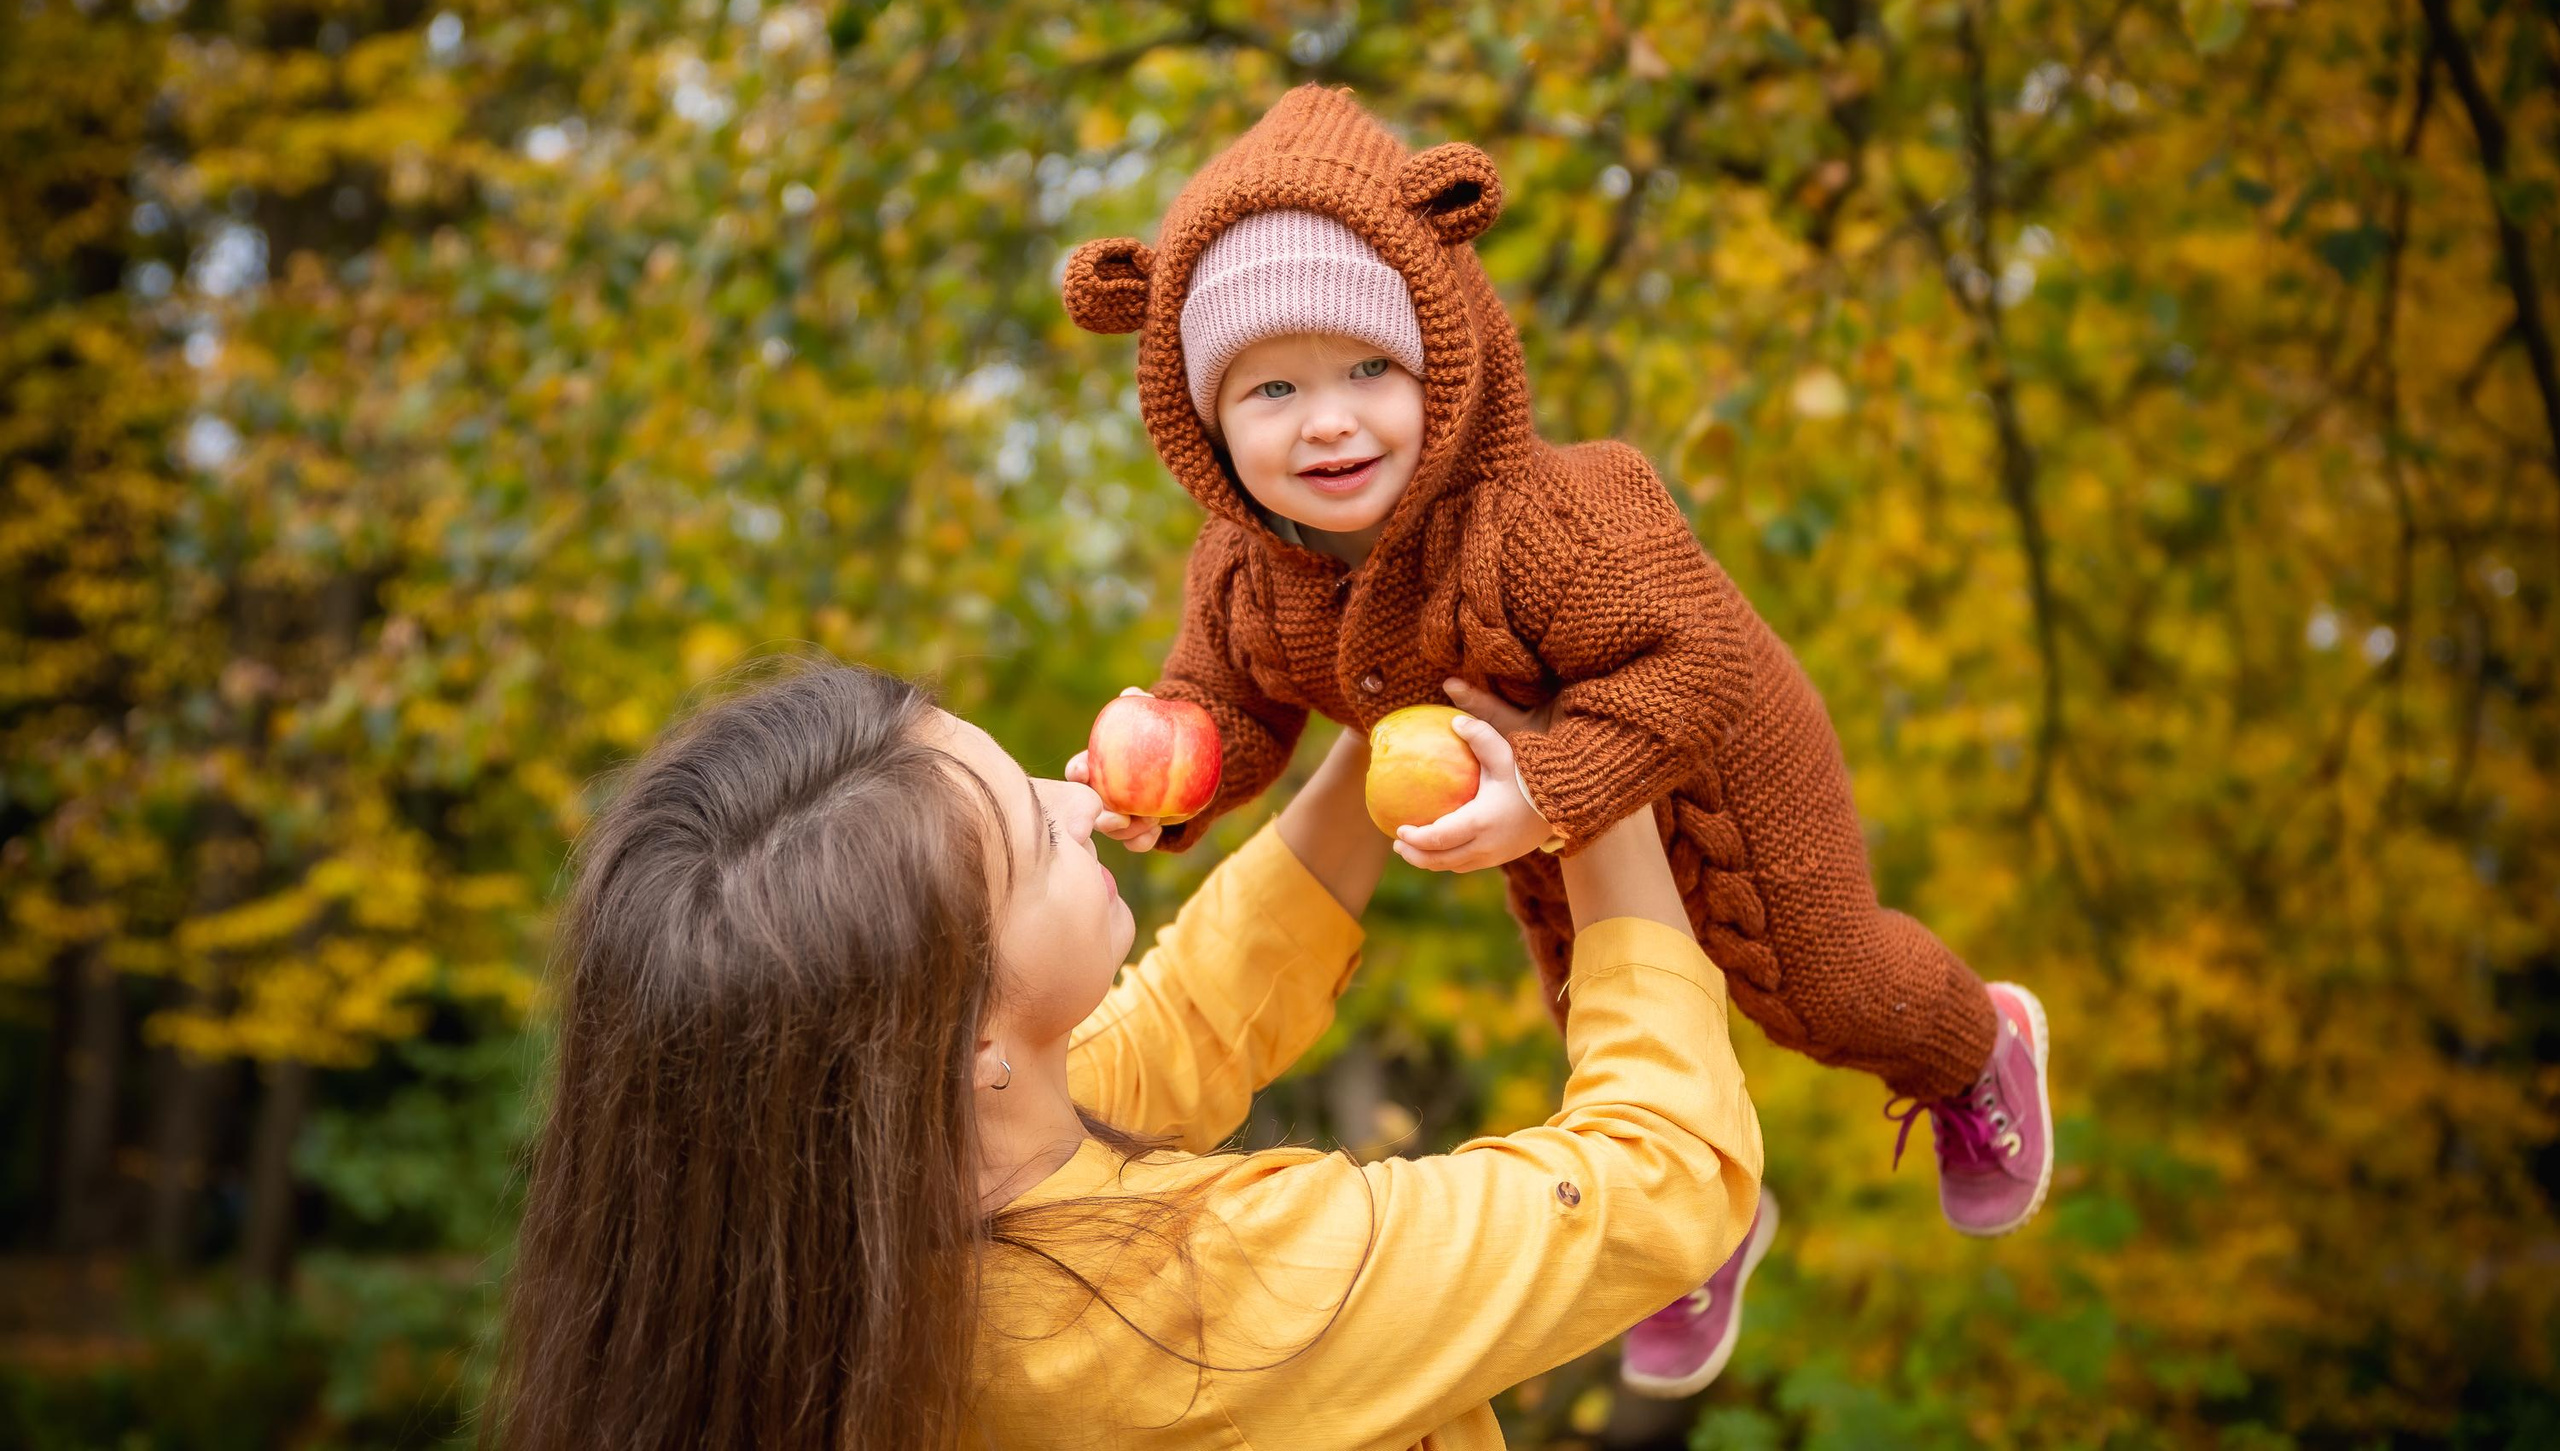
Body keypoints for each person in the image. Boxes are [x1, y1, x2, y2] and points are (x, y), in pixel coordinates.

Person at [1058, 85, 2052, 1394]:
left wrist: (1562, 780)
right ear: (1203, 419)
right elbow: (1234, 700)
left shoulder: (1558, 515)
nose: (1331, 419)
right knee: (1601, 1026)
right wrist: (1173, 762)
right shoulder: (1246, 571)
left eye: (1371, 366)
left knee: (1821, 986)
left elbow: (1689, 656)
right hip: (1516, 791)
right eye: (1273, 388)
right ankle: (1697, 1219)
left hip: (1709, 745)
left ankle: (1977, 1044)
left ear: (1442, 354)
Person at [482, 661, 1761, 1451]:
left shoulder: (869, 1219)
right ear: (964, 1034)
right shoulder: (1205, 1304)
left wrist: (1382, 718)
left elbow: (1193, 1016)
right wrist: (1591, 790)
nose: (1076, 797)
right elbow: (1665, 1179)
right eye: (1032, 839)